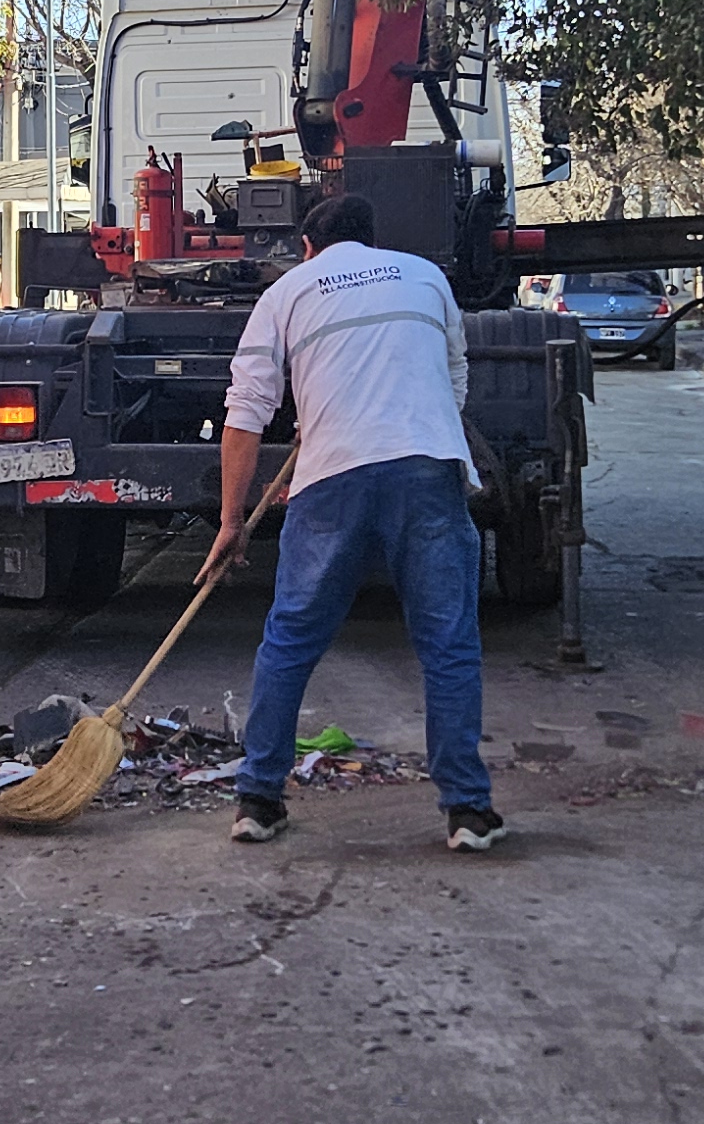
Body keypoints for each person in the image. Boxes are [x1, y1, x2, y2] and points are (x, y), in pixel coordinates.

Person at [201, 194, 503, 853]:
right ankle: (467, 813)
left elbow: (246, 412)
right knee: (448, 644)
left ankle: (257, 800)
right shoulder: (425, 276)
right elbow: (454, 382)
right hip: (427, 467)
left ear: (308, 247)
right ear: (371, 241)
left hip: (332, 477)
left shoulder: (286, 294)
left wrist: (232, 520)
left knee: (290, 641)